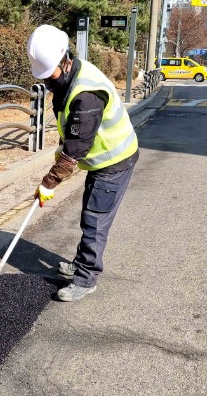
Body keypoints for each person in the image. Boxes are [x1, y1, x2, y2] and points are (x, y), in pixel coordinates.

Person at [26, 24, 139, 302]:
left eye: (49, 76)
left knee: (95, 220)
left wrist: (49, 183)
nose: (48, 83)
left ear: (65, 61)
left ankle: (86, 278)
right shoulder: (72, 75)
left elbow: (77, 146)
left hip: (114, 161)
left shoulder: (86, 94)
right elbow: (71, 132)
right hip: (101, 161)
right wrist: (60, 155)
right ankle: (82, 263)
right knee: (90, 214)